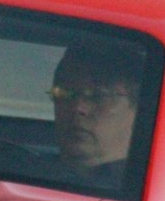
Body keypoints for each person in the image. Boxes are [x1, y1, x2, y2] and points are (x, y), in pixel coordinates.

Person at [51, 43, 141, 186]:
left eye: (99, 96)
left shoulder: (148, 188)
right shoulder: (24, 172)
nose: (78, 108)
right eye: (65, 93)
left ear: (138, 111)